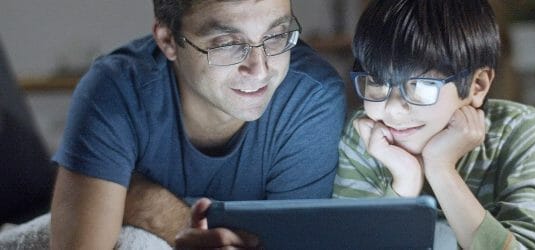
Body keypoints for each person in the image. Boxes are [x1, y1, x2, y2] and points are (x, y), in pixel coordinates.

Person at [50, 0, 345, 249]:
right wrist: (170, 219)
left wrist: (140, 197)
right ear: (168, 42)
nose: (260, 68)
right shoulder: (115, 91)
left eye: (277, 36)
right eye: (228, 43)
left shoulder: (311, 96)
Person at [333, 0, 535, 249]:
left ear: (478, 85)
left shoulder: (519, 129)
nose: (393, 109)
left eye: (421, 85)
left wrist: (441, 168)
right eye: (376, 82)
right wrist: (404, 184)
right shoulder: (365, 135)